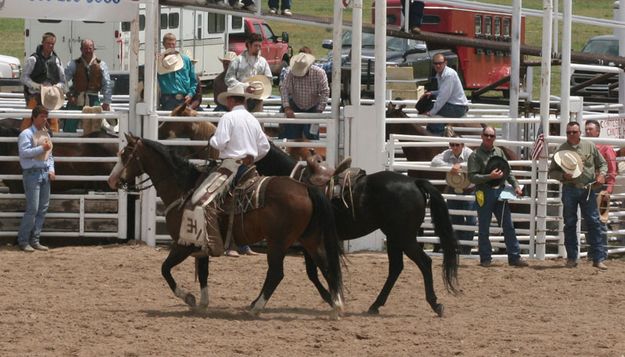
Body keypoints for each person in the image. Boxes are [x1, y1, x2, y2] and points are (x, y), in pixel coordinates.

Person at [208, 83, 270, 257]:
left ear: (230, 100)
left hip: (230, 167)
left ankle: (224, 243)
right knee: (245, 203)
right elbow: (264, 147)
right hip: (249, 168)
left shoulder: (228, 118)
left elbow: (219, 143)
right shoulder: (252, 119)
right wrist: (251, 158)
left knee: (211, 199)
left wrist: (212, 140)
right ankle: (244, 245)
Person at [549, 121, 608, 270]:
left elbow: (602, 163)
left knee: (594, 222)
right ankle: (572, 258)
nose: (571, 135)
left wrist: (601, 175)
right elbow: (552, 171)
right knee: (570, 223)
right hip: (570, 188)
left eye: (574, 132)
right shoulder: (561, 149)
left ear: (579, 132)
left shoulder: (589, 146)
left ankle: (598, 258)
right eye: (569, 132)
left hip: (587, 189)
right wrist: (563, 175)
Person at [467, 126, 528, 267]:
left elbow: (508, 171)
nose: (489, 138)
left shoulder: (499, 152)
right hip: (484, 192)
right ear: (482, 136)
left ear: (494, 137)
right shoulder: (475, 155)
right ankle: (486, 258)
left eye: (491, 136)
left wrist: (516, 185)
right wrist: (490, 176)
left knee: (508, 225)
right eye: (487, 135)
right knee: (484, 228)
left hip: (499, 192)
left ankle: (514, 256)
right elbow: (472, 177)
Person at [16, 105, 56, 252]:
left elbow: (50, 156)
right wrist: (42, 149)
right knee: (33, 208)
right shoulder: (26, 134)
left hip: (43, 172)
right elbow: (24, 152)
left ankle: (33, 240)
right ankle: (25, 240)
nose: (45, 119)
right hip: (32, 173)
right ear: (34, 117)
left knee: (41, 209)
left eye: (46, 117)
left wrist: (51, 169)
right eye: (42, 116)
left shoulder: (45, 134)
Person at [431, 137, 476, 254]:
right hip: (453, 189)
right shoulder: (447, 153)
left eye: (457, 145)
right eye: (452, 145)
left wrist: (460, 166)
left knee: (471, 220)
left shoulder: (469, 153)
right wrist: (451, 166)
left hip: (469, 190)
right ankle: (461, 246)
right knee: (456, 219)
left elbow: (475, 163)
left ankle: (466, 247)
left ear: (462, 145)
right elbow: (434, 161)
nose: (454, 147)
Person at [63, 39, 113, 133]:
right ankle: (69, 145)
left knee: (96, 127)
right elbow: (63, 80)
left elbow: (107, 83)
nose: (88, 50)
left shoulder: (101, 65)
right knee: (69, 126)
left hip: (93, 98)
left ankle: (93, 146)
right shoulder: (73, 64)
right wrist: (69, 95)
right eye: (85, 48)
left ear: (94, 49)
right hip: (77, 98)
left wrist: (106, 102)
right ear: (81, 49)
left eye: (90, 48)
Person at [584, 119, 617, 262]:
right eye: (586, 129)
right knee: (589, 221)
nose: (587, 131)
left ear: (598, 132)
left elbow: (612, 169)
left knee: (601, 221)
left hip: (602, 189)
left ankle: (601, 251)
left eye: (590, 129)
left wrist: (609, 188)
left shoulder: (605, 148)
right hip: (588, 188)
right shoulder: (585, 147)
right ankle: (593, 251)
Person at [21, 32, 65, 132]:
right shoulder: (33, 59)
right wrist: (36, 86)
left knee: (54, 124)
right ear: (42, 43)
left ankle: (53, 144)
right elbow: (23, 77)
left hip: (51, 98)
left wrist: (55, 88)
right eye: (48, 43)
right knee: (27, 122)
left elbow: (63, 81)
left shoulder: (57, 60)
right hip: (35, 96)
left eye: (52, 44)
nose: (50, 45)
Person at [279, 52, 329, 141]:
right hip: (295, 105)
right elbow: (284, 89)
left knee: (312, 135)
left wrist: (319, 110)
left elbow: (325, 92)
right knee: (291, 135)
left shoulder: (319, 73)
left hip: (314, 107)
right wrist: (287, 107)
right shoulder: (290, 72)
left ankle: (312, 151)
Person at [419, 53, 468, 135]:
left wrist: (431, 112)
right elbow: (443, 92)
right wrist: (431, 93)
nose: (438, 65)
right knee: (431, 106)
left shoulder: (449, 75)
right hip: (453, 105)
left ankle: (437, 136)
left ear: (445, 63)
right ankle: (430, 132)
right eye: (435, 63)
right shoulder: (440, 74)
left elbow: (443, 97)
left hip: (457, 107)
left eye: (440, 63)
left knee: (432, 108)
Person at [225, 32, 272, 112]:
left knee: (258, 123)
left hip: (258, 99)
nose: (258, 48)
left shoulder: (263, 62)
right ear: (248, 45)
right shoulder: (237, 60)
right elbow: (228, 79)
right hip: (240, 99)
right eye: (255, 45)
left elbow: (269, 80)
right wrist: (245, 87)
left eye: (259, 46)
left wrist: (259, 87)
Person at [157, 33, 197, 110]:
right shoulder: (159, 61)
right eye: (168, 44)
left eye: (173, 44)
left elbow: (193, 79)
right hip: (167, 98)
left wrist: (190, 94)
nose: (171, 46)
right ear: (164, 44)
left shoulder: (185, 59)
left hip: (184, 98)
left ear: (176, 44)